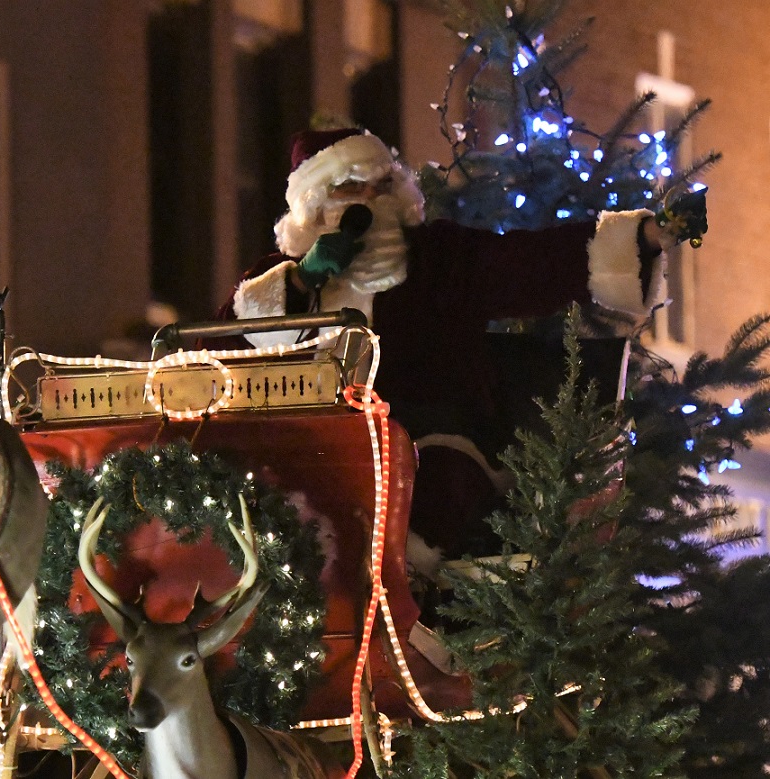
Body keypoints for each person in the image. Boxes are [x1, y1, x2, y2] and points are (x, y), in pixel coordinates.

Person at [213, 127, 704, 577]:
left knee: (436, 489)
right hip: (314, 447)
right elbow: (215, 349)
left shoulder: (442, 260)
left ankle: (421, 605)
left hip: (430, 437)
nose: (369, 201)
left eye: (380, 186)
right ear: (314, 205)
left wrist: (642, 236)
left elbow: (530, 264)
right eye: (350, 189)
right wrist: (303, 280)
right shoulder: (281, 276)